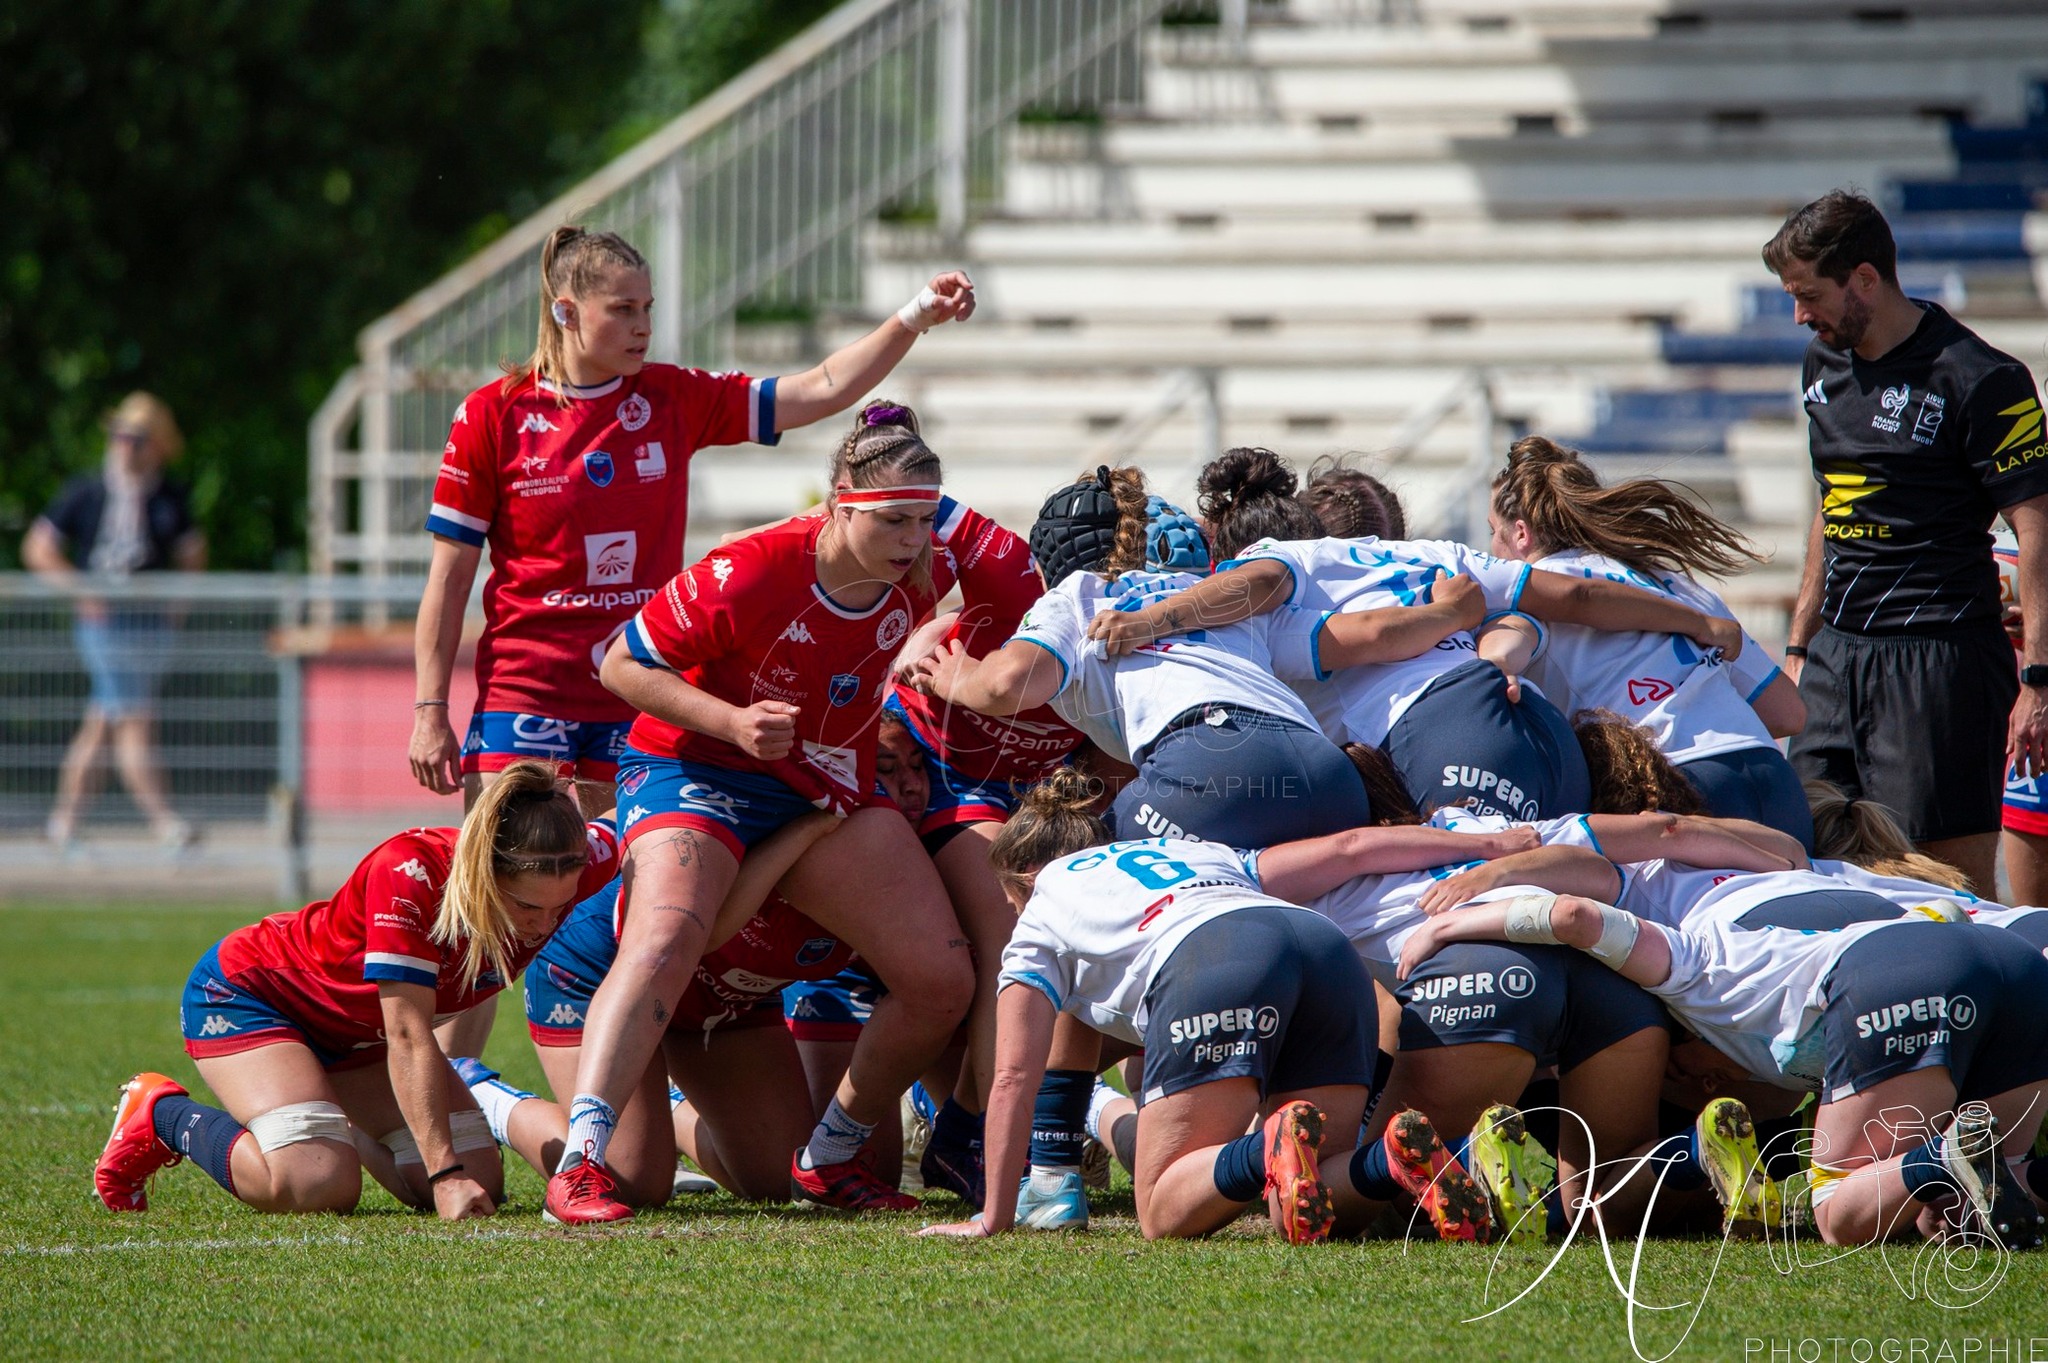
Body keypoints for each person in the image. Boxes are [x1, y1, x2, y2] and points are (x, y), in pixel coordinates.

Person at [544, 402, 1004, 1222]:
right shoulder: (752, 567)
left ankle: (832, 1155)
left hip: (819, 786)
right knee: (668, 933)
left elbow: (1005, 579)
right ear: (838, 502)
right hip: (696, 763)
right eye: (893, 519)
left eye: (925, 520)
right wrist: (733, 723)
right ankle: (578, 1160)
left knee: (941, 978)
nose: (912, 540)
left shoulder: (923, 569)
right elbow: (618, 664)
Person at [411, 225, 975, 816]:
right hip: (525, 690)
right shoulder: (492, 414)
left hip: (635, 682)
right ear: (565, 312)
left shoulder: (670, 396)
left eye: (648, 307)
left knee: (609, 887)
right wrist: (430, 710)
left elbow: (820, 388)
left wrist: (913, 316)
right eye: (623, 309)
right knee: (501, 883)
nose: (643, 326)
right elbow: (449, 580)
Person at [921, 768, 1525, 1245]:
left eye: (1008, 901)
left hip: (1216, 956)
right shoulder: (1189, 851)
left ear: (1025, 877)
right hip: (1321, 948)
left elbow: (1011, 1077)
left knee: (1161, 1209)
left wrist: (993, 1215)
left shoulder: (1045, 902)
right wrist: (1489, 843)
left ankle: (1265, 1144)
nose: (1011, 916)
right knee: (1305, 1193)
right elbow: (1350, 848)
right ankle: (1385, 1159)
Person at [1089, 450, 1745, 821]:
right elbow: (1569, 595)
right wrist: (1700, 620)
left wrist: (1145, 622)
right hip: (1538, 729)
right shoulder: (1434, 553)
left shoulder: (1279, 586)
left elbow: (1358, 630)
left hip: (1449, 733)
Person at [91, 760, 617, 1219]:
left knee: (484, 1176)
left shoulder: (577, 860)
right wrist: (444, 1177)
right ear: (485, 873)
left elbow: (642, 824)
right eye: (527, 908)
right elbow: (409, 1035)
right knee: (315, 1183)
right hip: (254, 998)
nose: (543, 925)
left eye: (560, 908)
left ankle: (328, 1115)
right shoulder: (411, 873)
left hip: (360, 1035)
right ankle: (161, 1113)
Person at [1399, 891, 2048, 1248]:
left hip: (1894, 971)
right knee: (1982, 1203)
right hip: (2014, 961)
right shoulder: (1781, 923)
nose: (1700, 1081)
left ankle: (1946, 1154)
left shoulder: (1695, 962)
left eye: (1680, 1069)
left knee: (1837, 1215)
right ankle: (1970, 1163)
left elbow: (1575, 916)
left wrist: (1450, 926)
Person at [913, 464, 1479, 847]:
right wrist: (1449, 613)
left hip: (1216, 766)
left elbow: (1010, 684)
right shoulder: (1227, 606)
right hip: (1327, 776)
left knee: (1073, 904)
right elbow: (1373, 635)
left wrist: (955, 676)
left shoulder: (1080, 595)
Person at [1768, 190, 2048, 897]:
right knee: (1805, 851)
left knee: (1943, 885)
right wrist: (1801, 648)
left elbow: (2038, 527)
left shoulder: (1984, 378)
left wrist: (2039, 680)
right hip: (1837, 655)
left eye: (1809, 295)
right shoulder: (1819, 367)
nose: (1800, 315)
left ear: (1865, 279)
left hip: (1939, 659)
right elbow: (1832, 504)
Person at [1486, 436, 1813, 849]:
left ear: (1520, 534)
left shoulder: (1534, 596)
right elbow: (1788, 712)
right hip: (1777, 785)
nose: (1490, 548)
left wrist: (1492, 664)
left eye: (1492, 532)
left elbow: (1505, 651)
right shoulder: (1675, 584)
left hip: (1681, 792)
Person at [24, 391, 205, 849]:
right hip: (104, 624)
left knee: (105, 719)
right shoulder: (87, 490)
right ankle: (164, 821)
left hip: (149, 626)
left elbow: (192, 553)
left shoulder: (168, 496)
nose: (126, 445)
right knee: (133, 716)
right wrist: (81, 590)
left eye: (138, 437)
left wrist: (175, 609)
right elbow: (39, 548)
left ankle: (63, 822)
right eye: (122, 435)